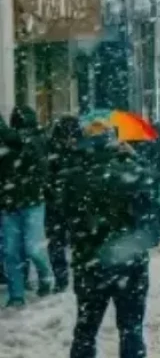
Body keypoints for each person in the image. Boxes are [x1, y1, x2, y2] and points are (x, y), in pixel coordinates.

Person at [68, 119, 160, 358]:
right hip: (129, 262)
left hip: (89, 263)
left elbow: (63, 219)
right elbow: (156, 200)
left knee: (85, 331)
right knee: (131, 330)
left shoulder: (74, 177)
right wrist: (134, 158)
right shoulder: (131, 172)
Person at [0, 106, 55, 305]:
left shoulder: (37, 140)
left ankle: (46, 277)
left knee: (33, 248)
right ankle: (17, 295)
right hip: (8, 204)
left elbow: (25, 146)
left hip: (32, 202)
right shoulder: (10, 141)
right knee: (11, 251)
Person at [45, 115, 85, 293]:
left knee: (64, 242)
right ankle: (62, 278)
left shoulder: (80, 151)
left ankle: (70, 276)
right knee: (57, 242)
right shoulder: (53, 150)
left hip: (69, 202)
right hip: (60, 202)